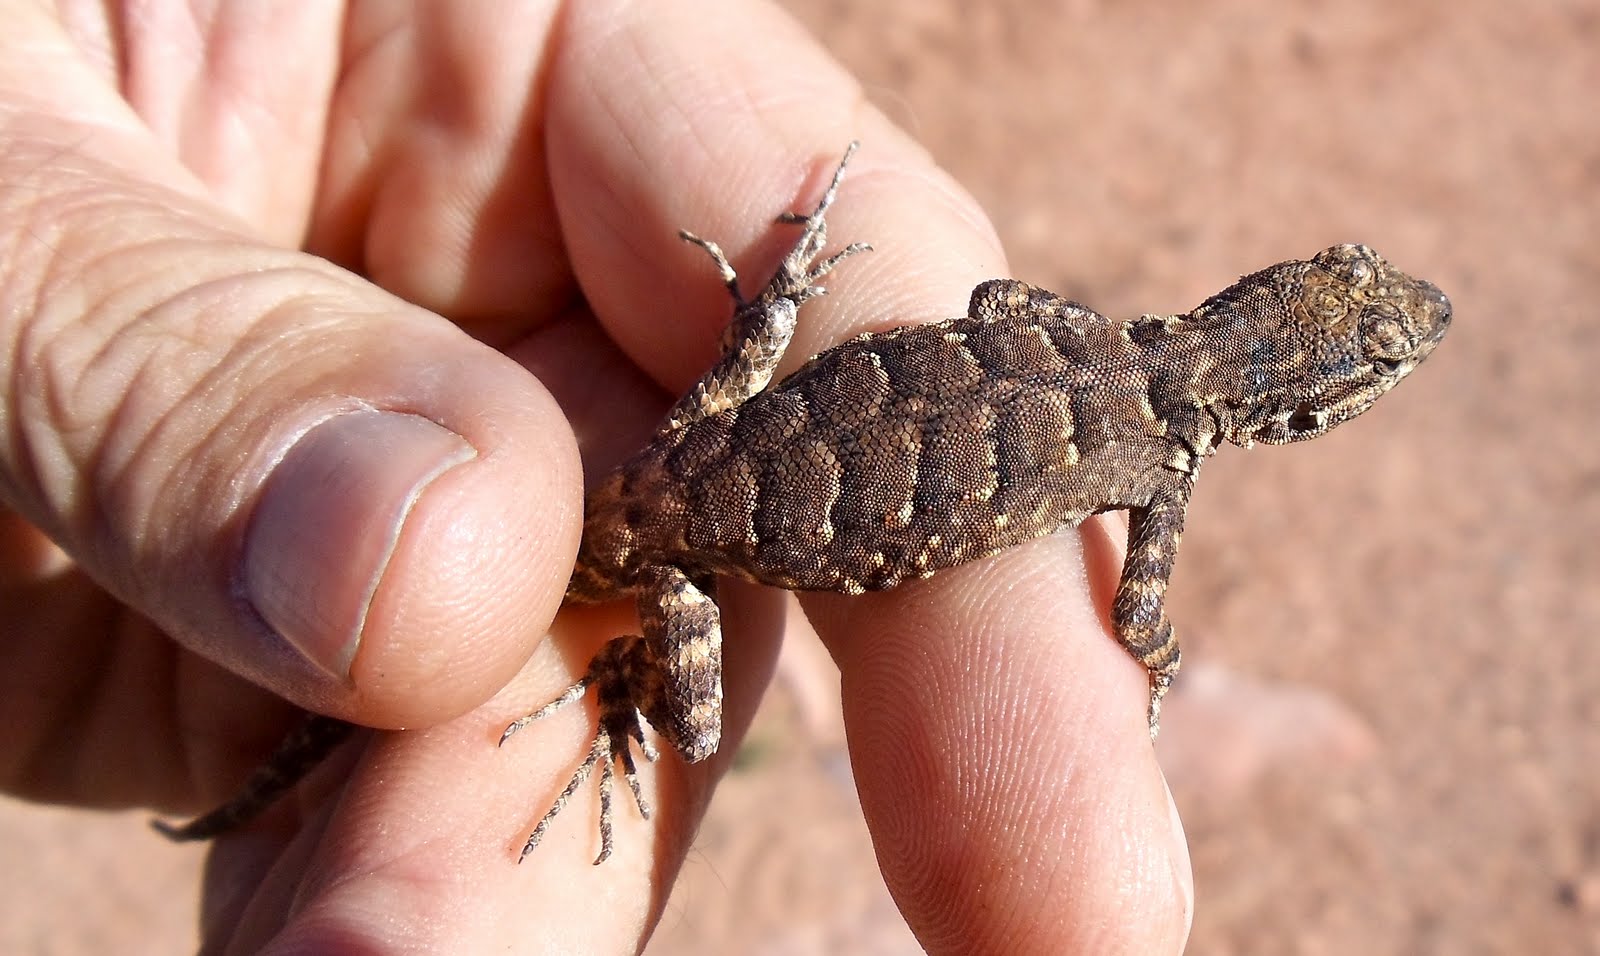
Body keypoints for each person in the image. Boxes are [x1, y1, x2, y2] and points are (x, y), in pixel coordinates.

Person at [0, 1, 1191, 951]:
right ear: (1300, 413)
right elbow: (1133, 612)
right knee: (702, 716)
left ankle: (777, 285)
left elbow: (993, 303)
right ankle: (621, 676)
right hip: (673, 554)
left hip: (700, 439)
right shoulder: (1161, 468)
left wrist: (785, 295)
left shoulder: (1089, 333)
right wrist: (1160, 652)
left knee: (766, 347)